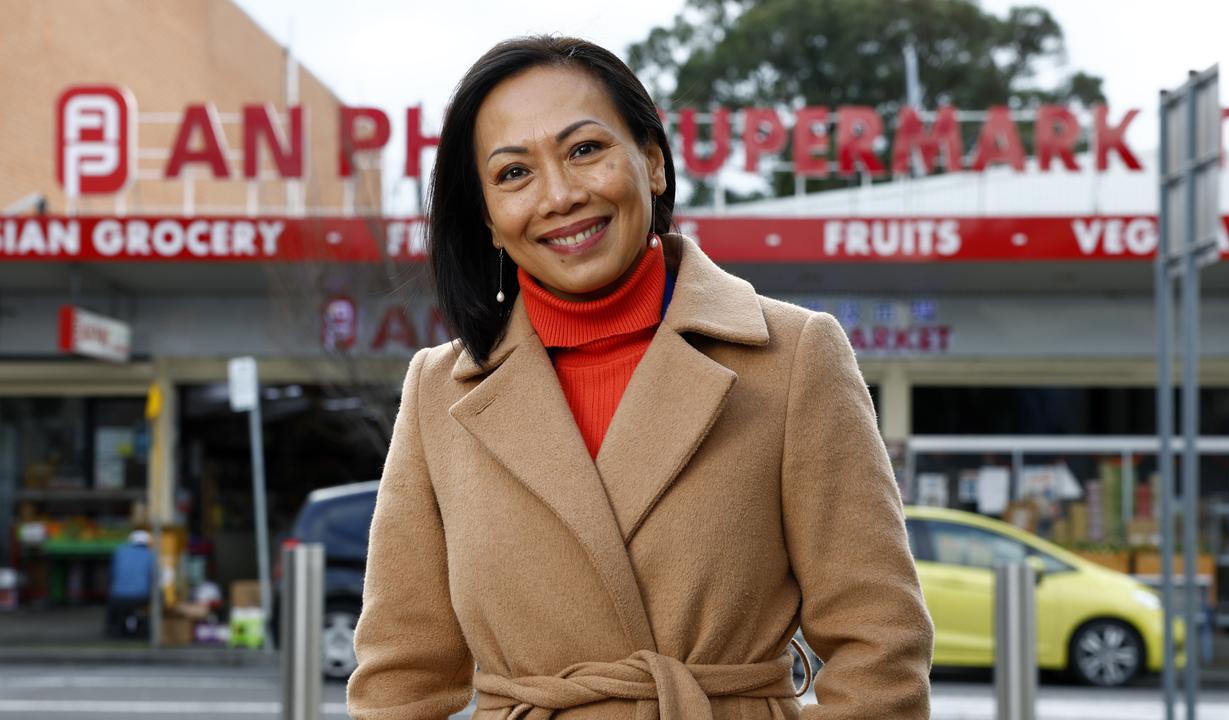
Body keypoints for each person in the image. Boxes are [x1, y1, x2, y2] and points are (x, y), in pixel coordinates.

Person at [347, 36, 933, 720]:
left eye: (585, 150)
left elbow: (880, 645)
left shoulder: (795, 356)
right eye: (513, 174)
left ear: (652, 163)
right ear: (487, 220)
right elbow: (399, 677)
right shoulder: (438, 390)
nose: (560, 195)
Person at [106, 529, 154, 639]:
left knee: (120, 609)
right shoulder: (150, 555)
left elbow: (112, 574)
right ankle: (144, 628)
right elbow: (153, 577)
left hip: (117, 596)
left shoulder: (119, 551)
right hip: (141, 596)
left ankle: (114, 630)